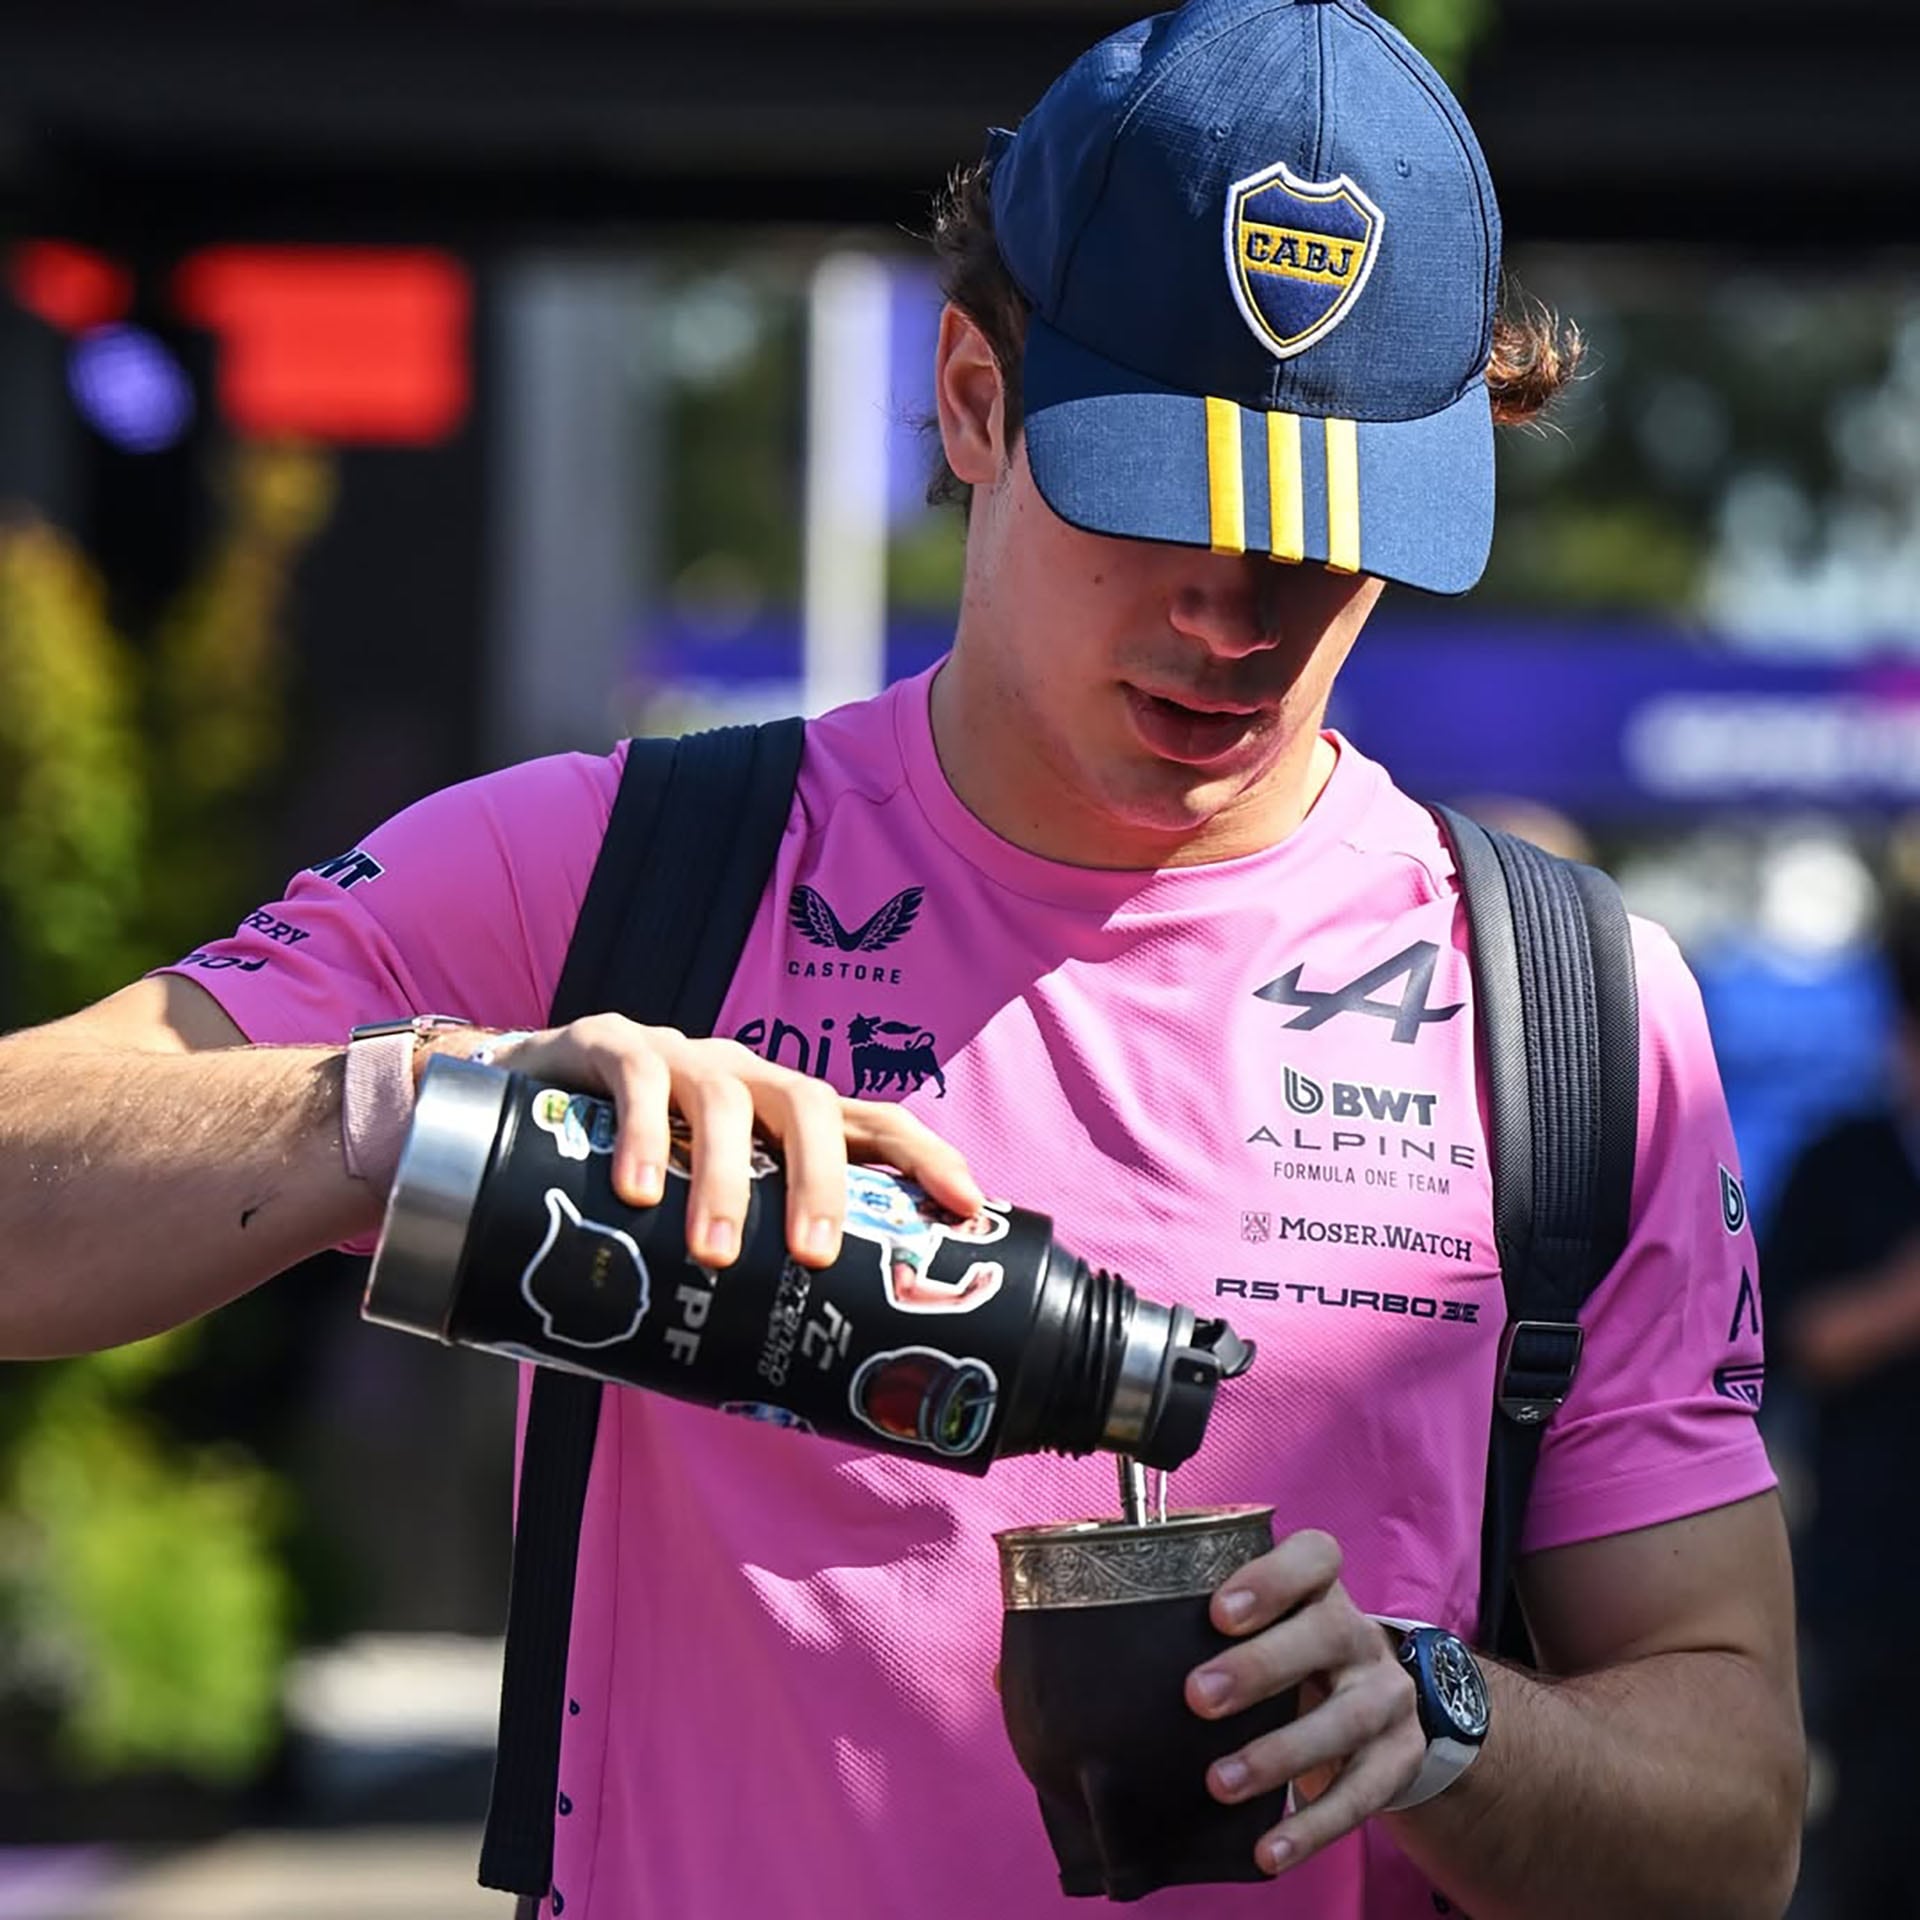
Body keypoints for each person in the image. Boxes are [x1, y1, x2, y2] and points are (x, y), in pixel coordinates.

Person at [0, 2, 1803, 1915]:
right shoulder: (617, 874)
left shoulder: (1572, 1019)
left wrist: (1438, 1720)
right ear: (973, 401)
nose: (1235, 616)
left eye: (1328, 541)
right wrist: (405, 1111)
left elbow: (1735, 1823)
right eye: (1159, 501)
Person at [1764, 892, 1920, 1919]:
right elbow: (1787, 1344)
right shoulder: (1843, 1161)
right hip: (1878, 1577)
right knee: (1872, 1840)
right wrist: (1897, 1304)